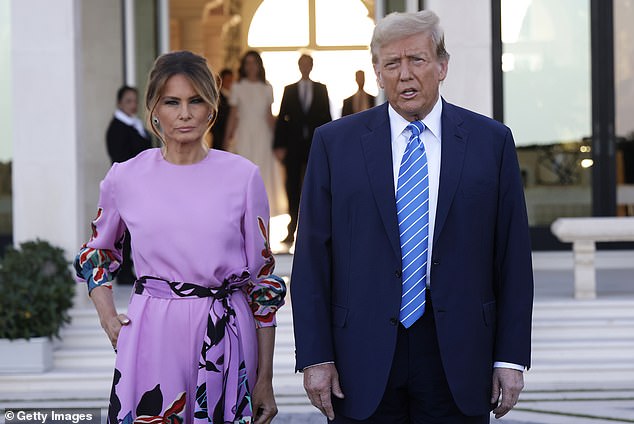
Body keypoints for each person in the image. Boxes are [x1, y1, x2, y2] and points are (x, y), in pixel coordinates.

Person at [291, 10, 533, 424]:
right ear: (377, 72)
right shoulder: (334, 144)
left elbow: (512, 257)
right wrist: (315, 356)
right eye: (392, 63)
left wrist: (510, 357)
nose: (405, 75)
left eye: (417, 60)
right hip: (360, 357)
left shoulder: (490, 142)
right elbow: (311, 257)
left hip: (459, 353)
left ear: (442, 66)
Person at [74, 50, 286, 424]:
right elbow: (96, 255)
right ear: (154, 108)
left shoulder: (243, 176)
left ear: (211, 108)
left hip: (227, 331)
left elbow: (262, 282)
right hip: (151, 333)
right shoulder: (125, 177)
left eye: (196, 100)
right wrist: (108, 318)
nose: (185, 113)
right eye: (172, 102)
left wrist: (265, 379)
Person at [274, 53, 332, 245]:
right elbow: (282, 118)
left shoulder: (321, 89)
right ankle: (292, 230)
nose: (305, 67)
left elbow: (327, 119)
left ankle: (313, 230)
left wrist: (329, 147)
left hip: (314, 146)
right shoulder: (289, 90)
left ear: (312, 66)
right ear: (299, 66)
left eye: (308, 64)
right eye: (302, 64)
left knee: (316, 185)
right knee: (292, 187)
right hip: (293, 146)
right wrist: (279, 145)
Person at [225, 50, 286, 217]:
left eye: (254, 63)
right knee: (244, 175)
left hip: (263, 137)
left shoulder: (267, 88)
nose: (251, 66)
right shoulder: (237, 87)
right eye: (248, 63)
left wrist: (278, 142)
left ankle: (262, 216)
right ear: (244, 66)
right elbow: (233, 115)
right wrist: (226, 139)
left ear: (259, 65)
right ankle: (244, 215)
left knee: (263, 174)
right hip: (244, 135)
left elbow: (269, 116)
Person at [105, 85, 152, 284]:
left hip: (140, 185)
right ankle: (123, 271)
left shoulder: (134, 124)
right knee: (125, 229)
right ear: (119, 103)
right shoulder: (117, 127)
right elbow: (120, 159)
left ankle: (132, 269)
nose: (133, 105)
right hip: (127, 187)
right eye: (128, 101)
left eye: (135, 101)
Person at [210, 68, 234, 150]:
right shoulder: (217, 97)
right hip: (219, 134)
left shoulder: (233, 95)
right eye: (227, 80)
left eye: (231, 80)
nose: (229, 83)